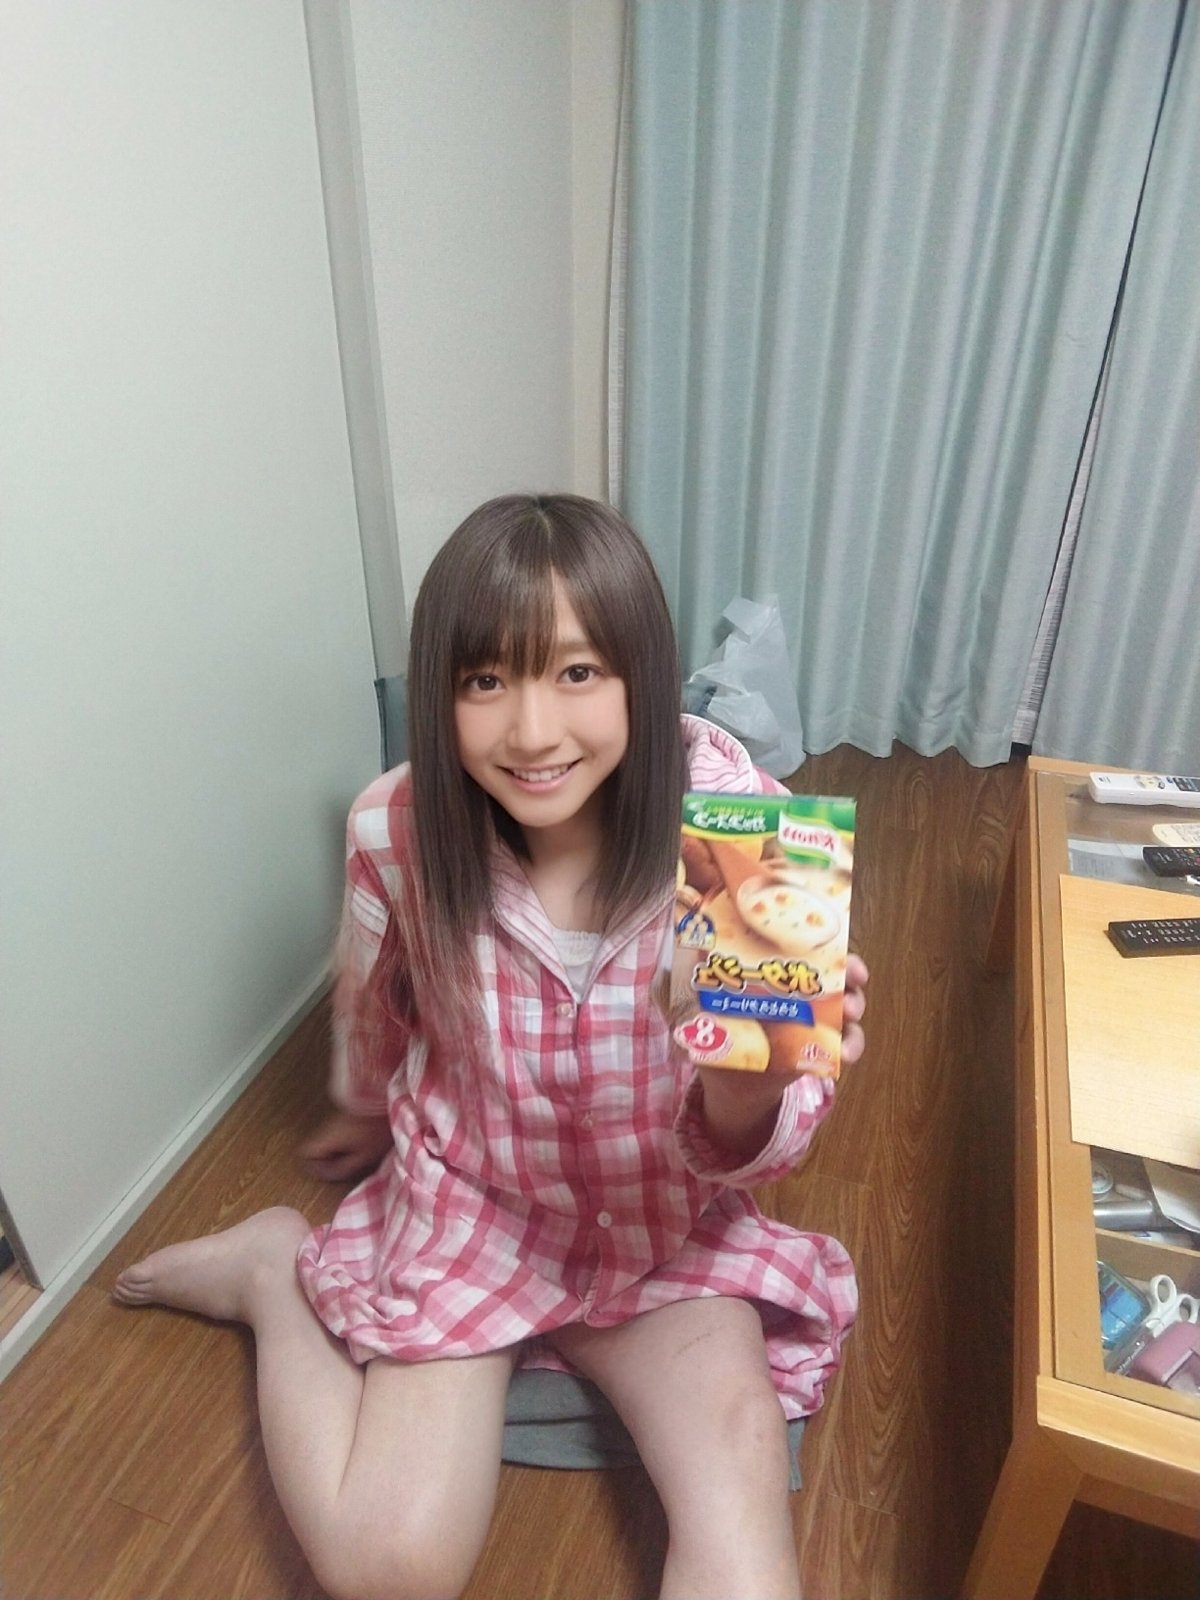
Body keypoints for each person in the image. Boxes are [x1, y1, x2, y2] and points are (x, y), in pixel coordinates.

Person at [115, 494, 867, 1600]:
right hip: (479, 1208)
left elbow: (774, 1137)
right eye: (484, 680)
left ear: (643, 674)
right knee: (388, 1569)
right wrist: (360, 1102)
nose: (531, 731)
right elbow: (375, 988)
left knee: (741, 1484)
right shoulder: (396, 825)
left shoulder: (749, 834)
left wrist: (740, 1086)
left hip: (660, 1222)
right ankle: (275, 1271)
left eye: (577, 672)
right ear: (441, 693)